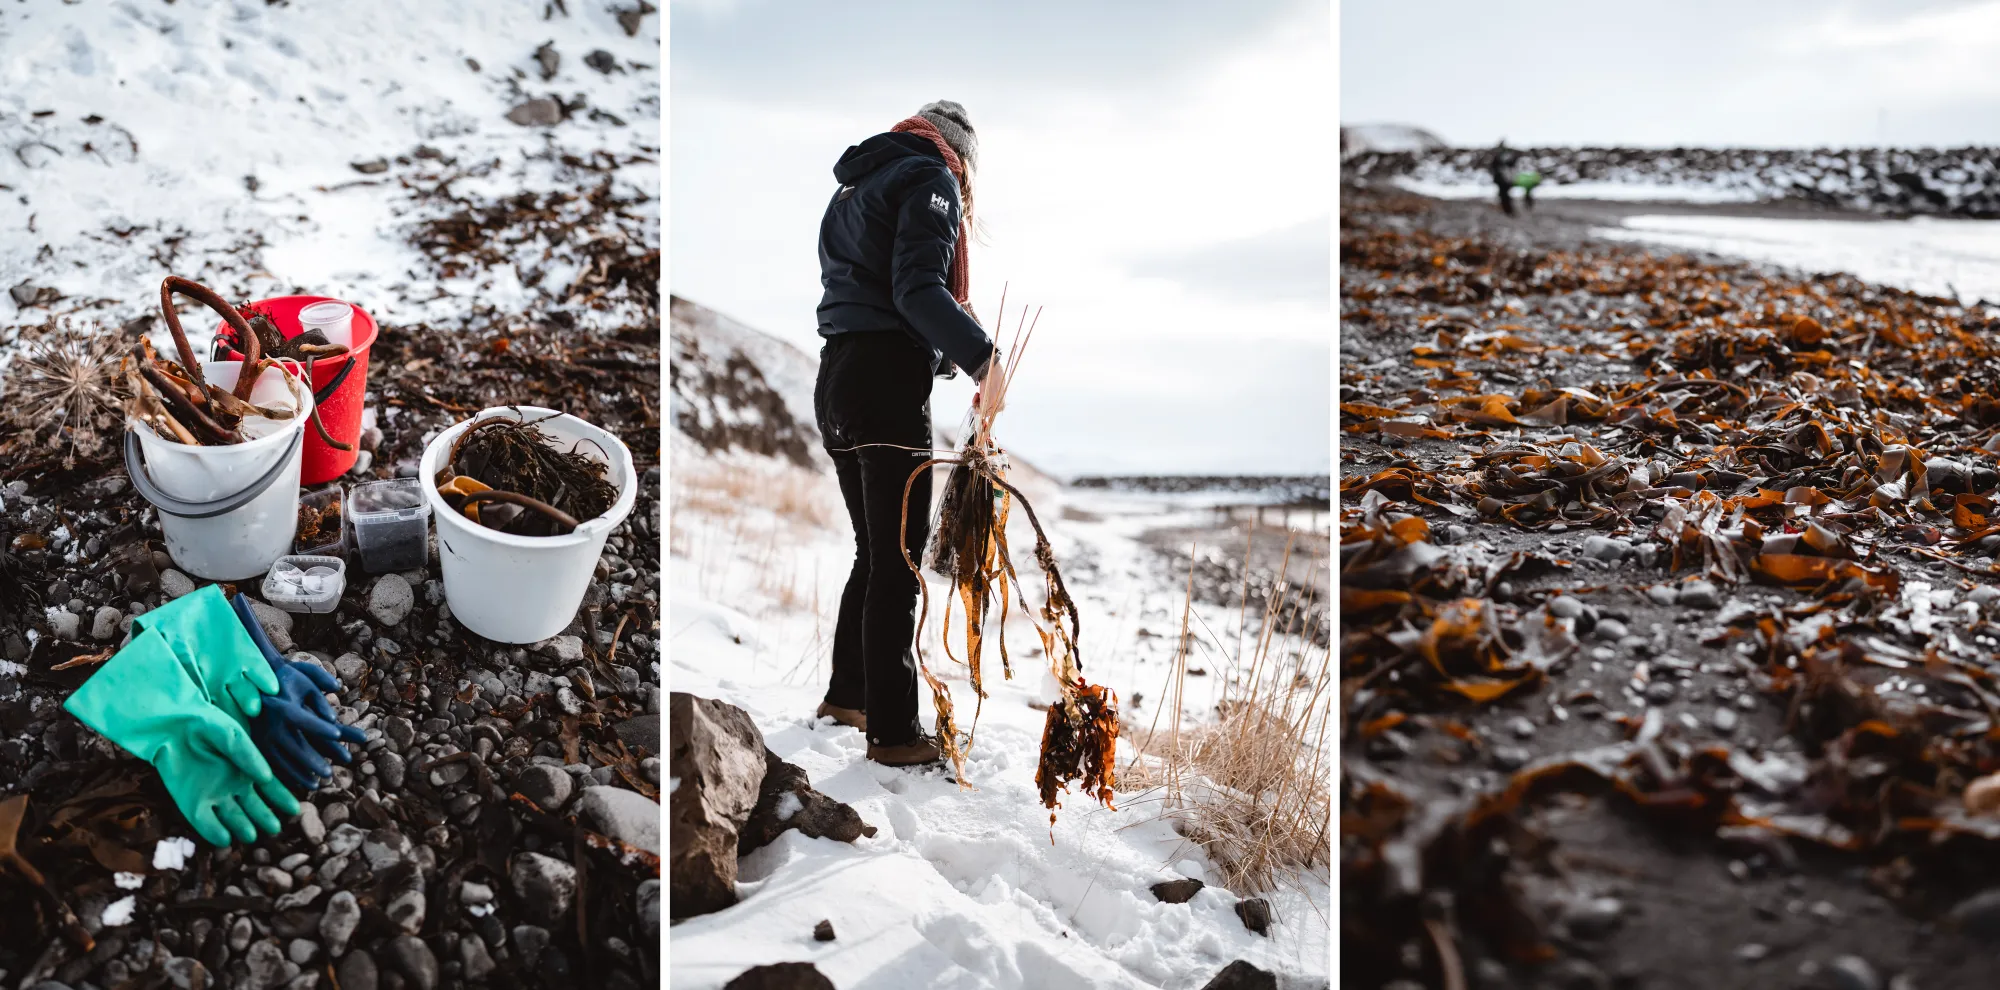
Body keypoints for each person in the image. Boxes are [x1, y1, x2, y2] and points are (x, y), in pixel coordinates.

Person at [813, 100, 999, 767]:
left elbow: (876, 286)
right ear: (959, 155)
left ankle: (848, 695)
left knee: (874, 551)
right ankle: (893, 733)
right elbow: (917, 291)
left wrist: (948, 345)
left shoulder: (856, 186)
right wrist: (985, 358)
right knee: (898, 560)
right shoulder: (930, 179)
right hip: (885, 382)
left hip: (836, 377)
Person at [1489, 139, 1518, 216]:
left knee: (1504, 195)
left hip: (1504, 179)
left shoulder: (1503, 156)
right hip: (1504, 179)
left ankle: (1507, 210)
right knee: (1503, 195)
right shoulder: (1503, 156)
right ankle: (1507, 209)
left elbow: (1494, 167)